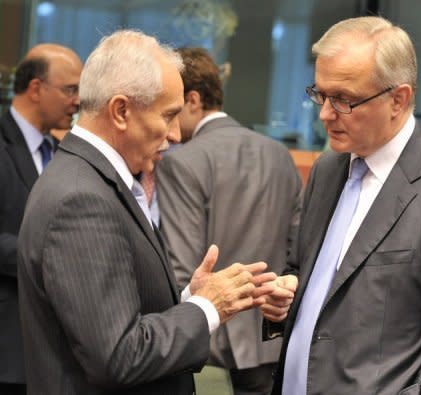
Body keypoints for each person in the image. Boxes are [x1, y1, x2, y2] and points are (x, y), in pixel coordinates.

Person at [261, 16, 421, 395]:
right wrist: (287, 297)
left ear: (399, 99)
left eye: (344, 100)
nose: (325, 114)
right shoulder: (328, 169)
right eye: (320, 94)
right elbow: (310, 271)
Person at [17, 30, 275, 395]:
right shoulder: (81, 199)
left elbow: (116, 315)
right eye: (168, 115)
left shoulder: (93, 181)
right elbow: (118, 356)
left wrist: (187, 300)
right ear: (120, 110)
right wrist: (207, 308)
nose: (175, 134)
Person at [156, 47, 303, 395]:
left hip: (211, 350)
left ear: (193, 100)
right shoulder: (279, 154)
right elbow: (298, 248)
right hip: (273, 339)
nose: (171, 127)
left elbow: (183, 267)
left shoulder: (183, 162)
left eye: (174, 111)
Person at [0, 43, 82, 394]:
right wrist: (52, 259)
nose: (78, 101)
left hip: (55, 351)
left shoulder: (64, 151)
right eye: (70, 89)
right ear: (35, 88)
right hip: (9, 346)